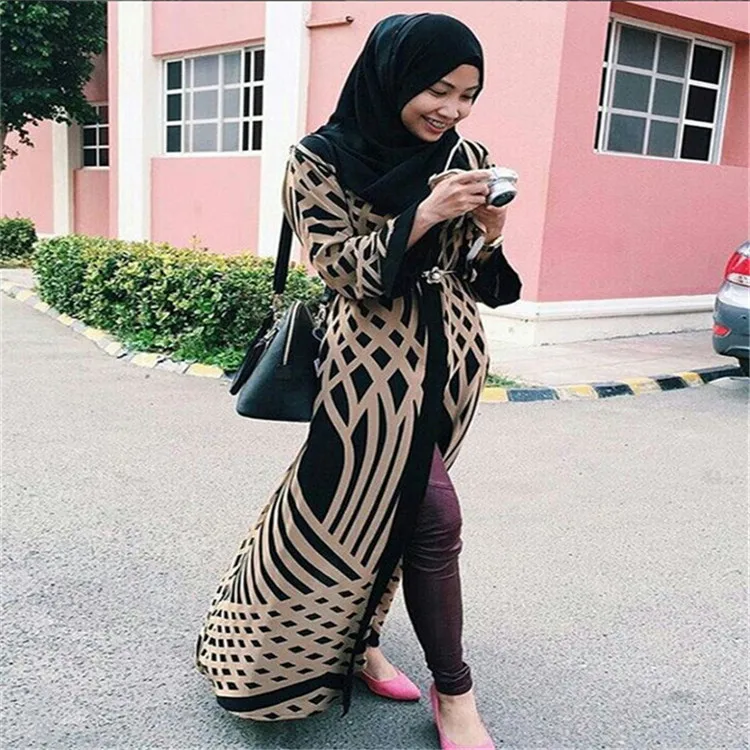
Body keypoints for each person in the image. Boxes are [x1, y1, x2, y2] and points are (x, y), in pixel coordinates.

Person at [196, 12, 521, 750]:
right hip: (371, 370)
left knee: (390, 515)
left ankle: (360, 643)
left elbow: (480, 281)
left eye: (468, 95)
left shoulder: (466, 154)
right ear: (393, 76)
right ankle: (453, 693)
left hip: (452, 365)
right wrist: (423, 213)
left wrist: (489, 236)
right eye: (438, 90)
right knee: (419, 517)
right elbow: (340, 269)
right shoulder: (317, 158)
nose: (453, 110)